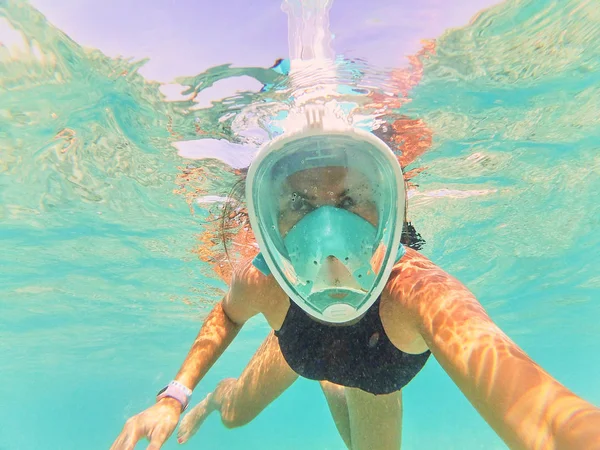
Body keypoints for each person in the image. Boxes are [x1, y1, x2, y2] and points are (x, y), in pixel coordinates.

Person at [111, 107, 600, 450]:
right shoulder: (268, 282)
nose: (326, 233)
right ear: (269, 221)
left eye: (349, 200)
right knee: (236, 417)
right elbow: (226, 312)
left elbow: (545, 420)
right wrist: (177, 395)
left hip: (372, 377)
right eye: (300, 205)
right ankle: (227, 394)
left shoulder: (416, 293)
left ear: (389, 209)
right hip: (303, 349)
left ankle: (332, 383)